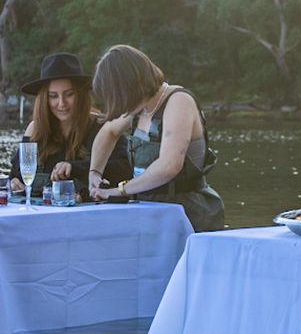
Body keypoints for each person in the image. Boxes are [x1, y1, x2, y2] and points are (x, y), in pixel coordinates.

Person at [88, 45, 224, 231]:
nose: (115, 104)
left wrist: (118, 191)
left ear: (129, 86)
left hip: (186, 214)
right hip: (148, 210)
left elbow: (169, 166)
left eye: (115, 96)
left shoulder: (178, 101)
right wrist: (94, 173)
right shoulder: (137, 108)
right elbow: (108, 132)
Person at [9, 52, 130, 199]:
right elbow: (16, 174)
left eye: (69, 94)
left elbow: (124, 168)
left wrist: (74, 168)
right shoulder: (35, 130)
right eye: (53, 96)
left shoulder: (103, 127)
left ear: (80, 95)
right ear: (44, 100)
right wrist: (13, 183)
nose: (61, 103)